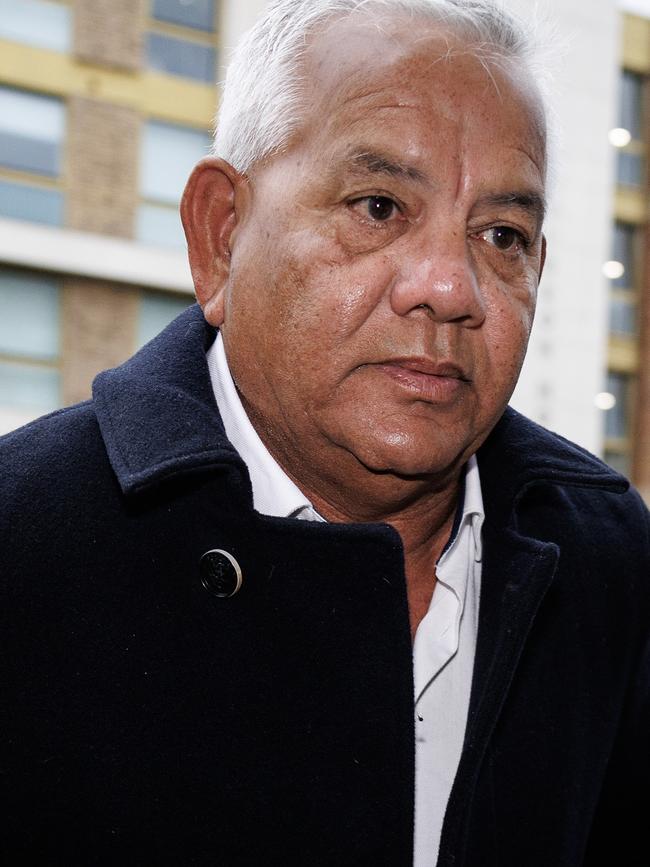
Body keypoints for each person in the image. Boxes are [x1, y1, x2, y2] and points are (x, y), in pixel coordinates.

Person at [2, 0, 648, 864]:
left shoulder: (615, 566)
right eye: (379, 206)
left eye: (502, 235)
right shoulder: (24, 544)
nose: (449, 287)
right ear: (221, 235)